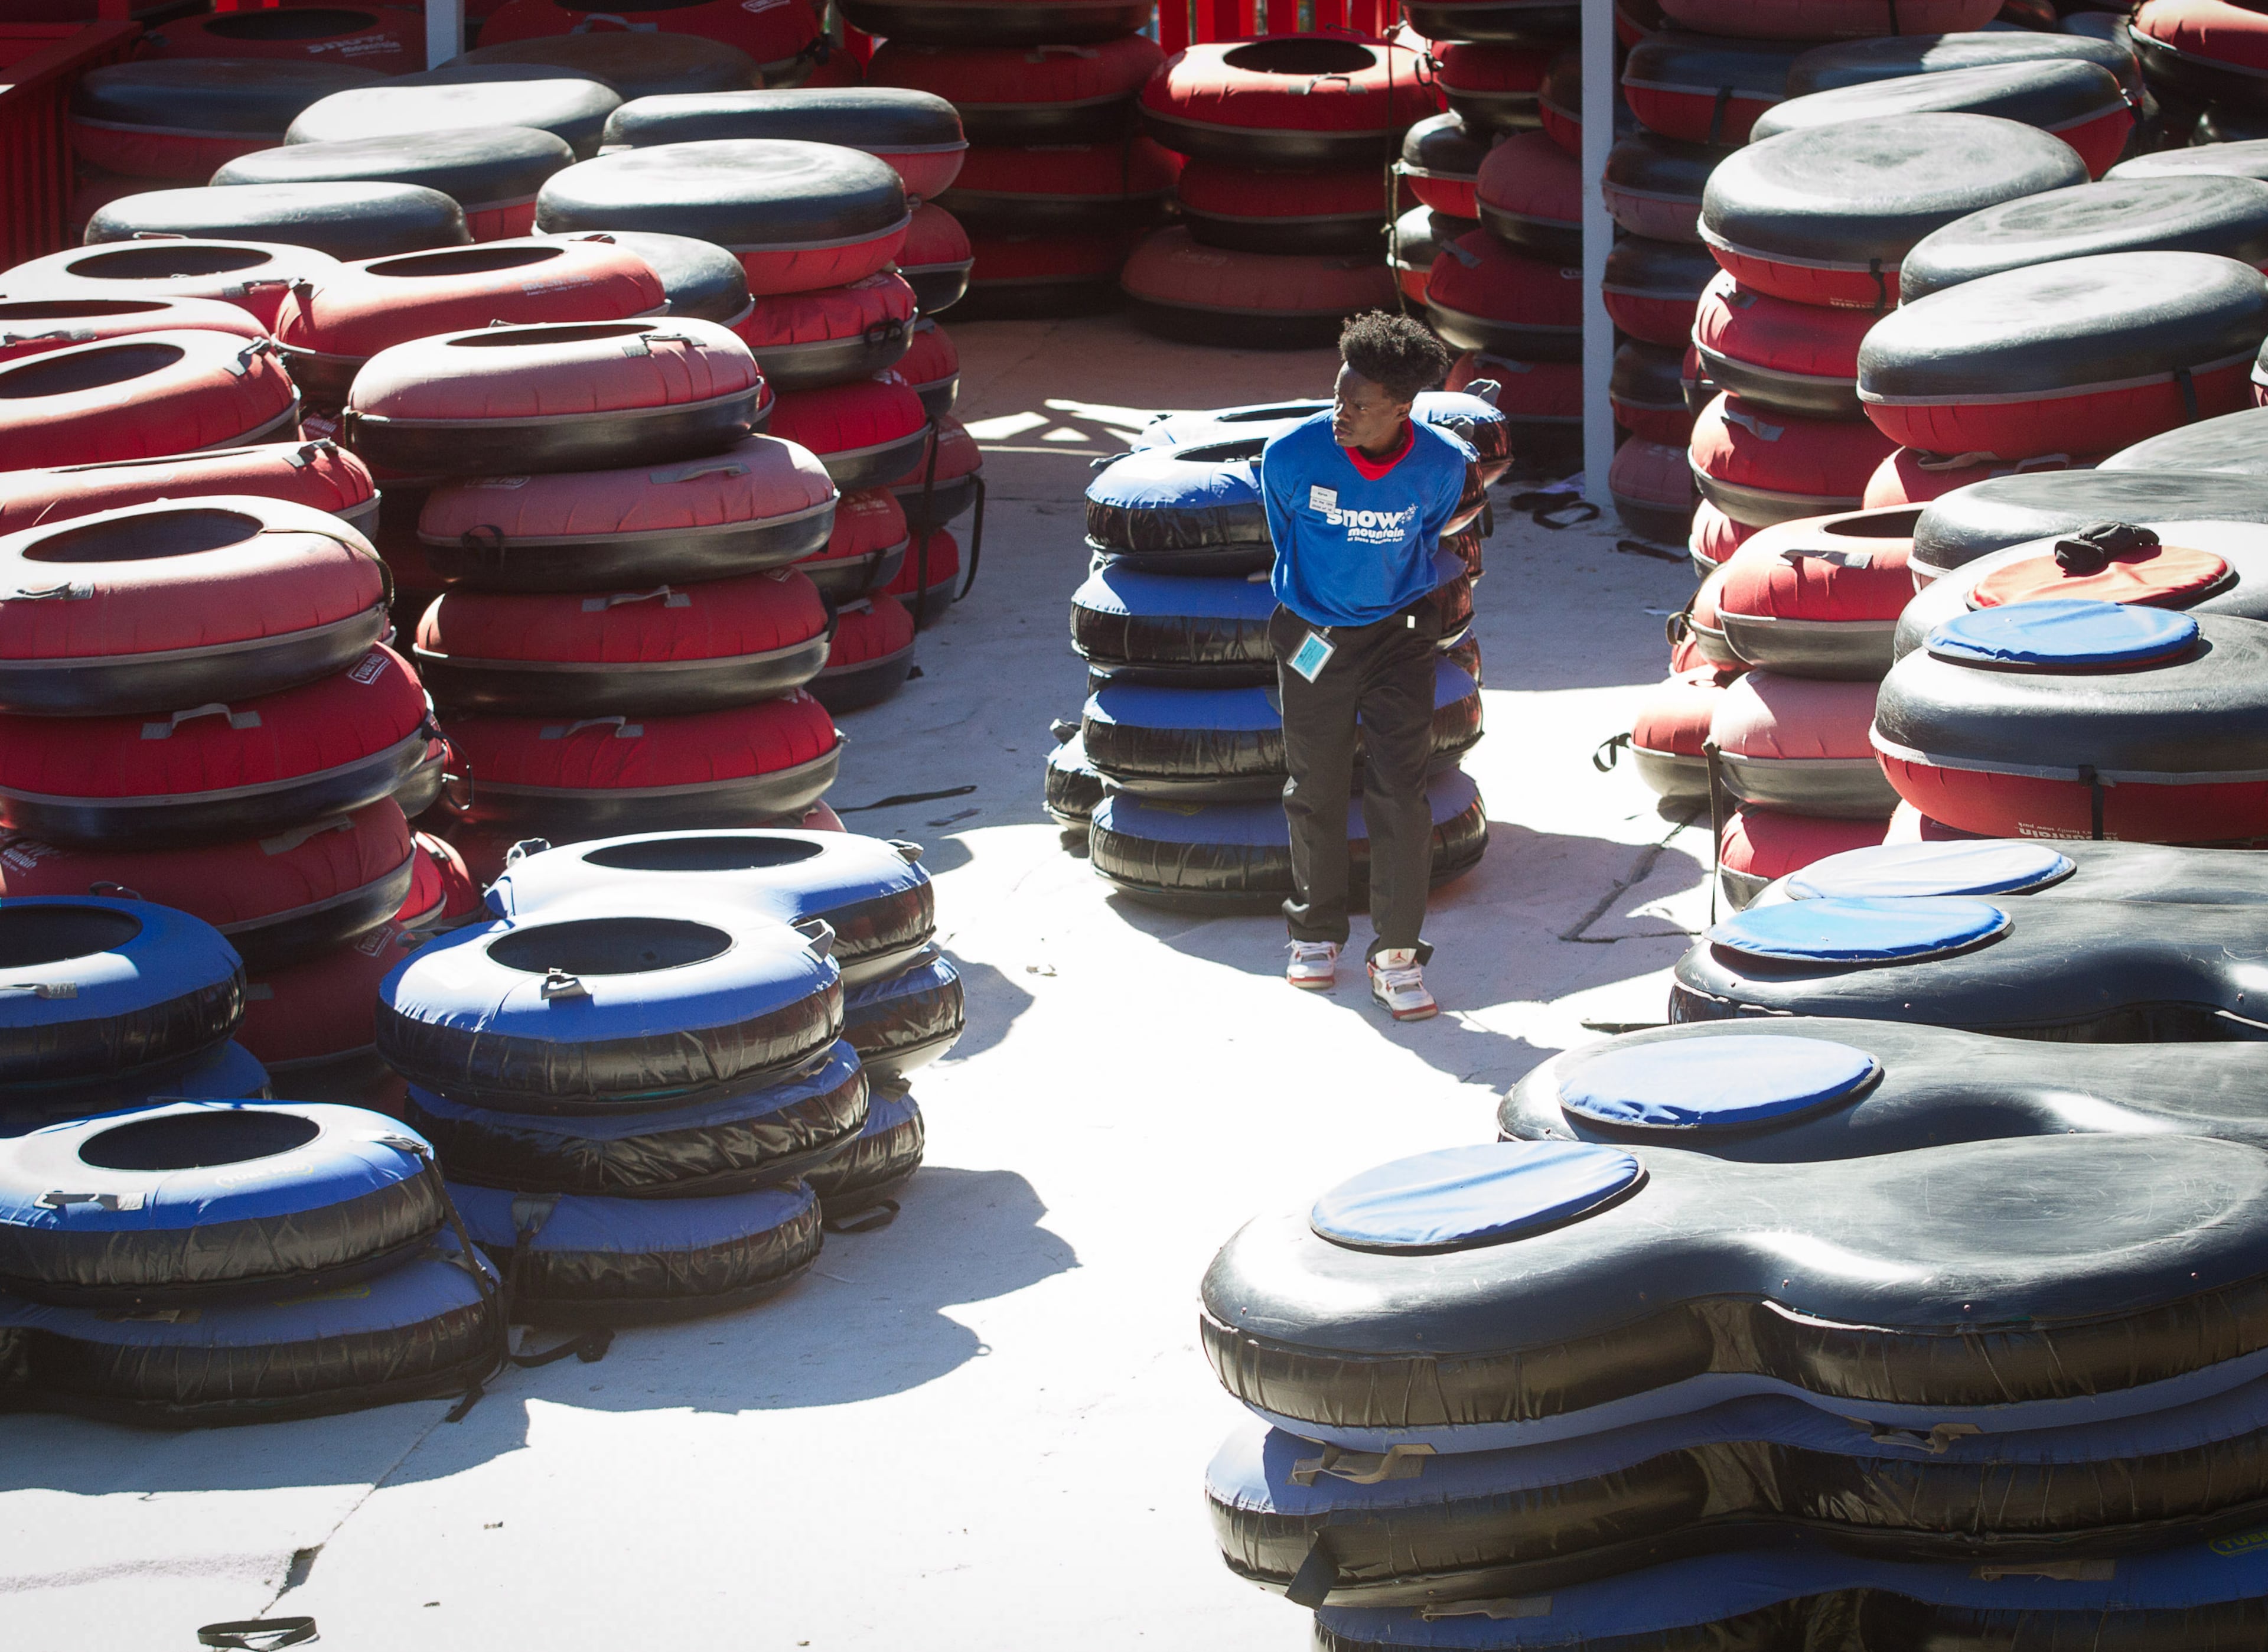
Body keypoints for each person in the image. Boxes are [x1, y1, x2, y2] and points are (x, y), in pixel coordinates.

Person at [1258, 311, 1471, 1022]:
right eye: (1337, 397)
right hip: (1313, 636)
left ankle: (1398, 955)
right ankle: (1315, 934)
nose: (1339, 414)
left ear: (1402, 409)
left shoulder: (1442, 464)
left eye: (1357, 405)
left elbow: (1429, 534)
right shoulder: (1291, 456)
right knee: (1314, 783)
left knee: (1398, 792)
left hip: (1399, 637)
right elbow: (1284, 536)